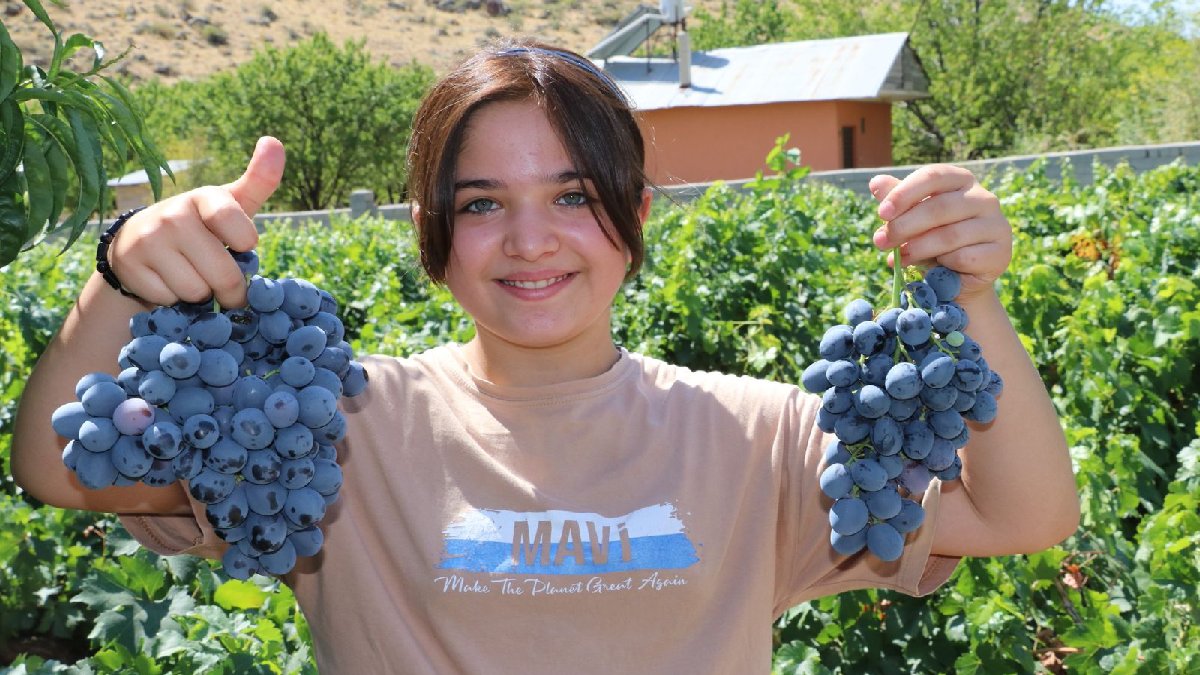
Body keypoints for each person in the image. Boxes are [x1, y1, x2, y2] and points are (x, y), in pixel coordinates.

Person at [10, 40, 1080, 673]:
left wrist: (972, 298)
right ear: (434, 235)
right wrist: (125, 270)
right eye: (485, 204)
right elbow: (54, 468)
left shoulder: (757, 434)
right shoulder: (331, 427)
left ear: (634, 214)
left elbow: (1025, 516)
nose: (532, 240)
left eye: (573, 194)